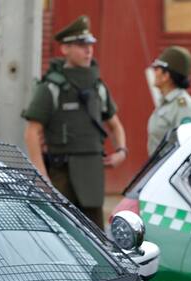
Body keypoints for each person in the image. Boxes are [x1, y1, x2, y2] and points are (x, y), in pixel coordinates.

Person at [22, 15, 127, 228]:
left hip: (92, 175)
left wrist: (122, 152)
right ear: (64, 49)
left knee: (96, 234)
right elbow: (32, 132)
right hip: (62, 175)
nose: (88, 50)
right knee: (61, 231)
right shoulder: (51, 88)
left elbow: (115, 124)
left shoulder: (98, 86)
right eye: (81, 45)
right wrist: (42, 175)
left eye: (90, 45)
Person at [147, 46, 191, 156]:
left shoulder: (183, 106)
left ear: (166, 76)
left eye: (157, 69)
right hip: (158, 167)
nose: (154, 72)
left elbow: (186, 145)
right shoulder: (165, 102)